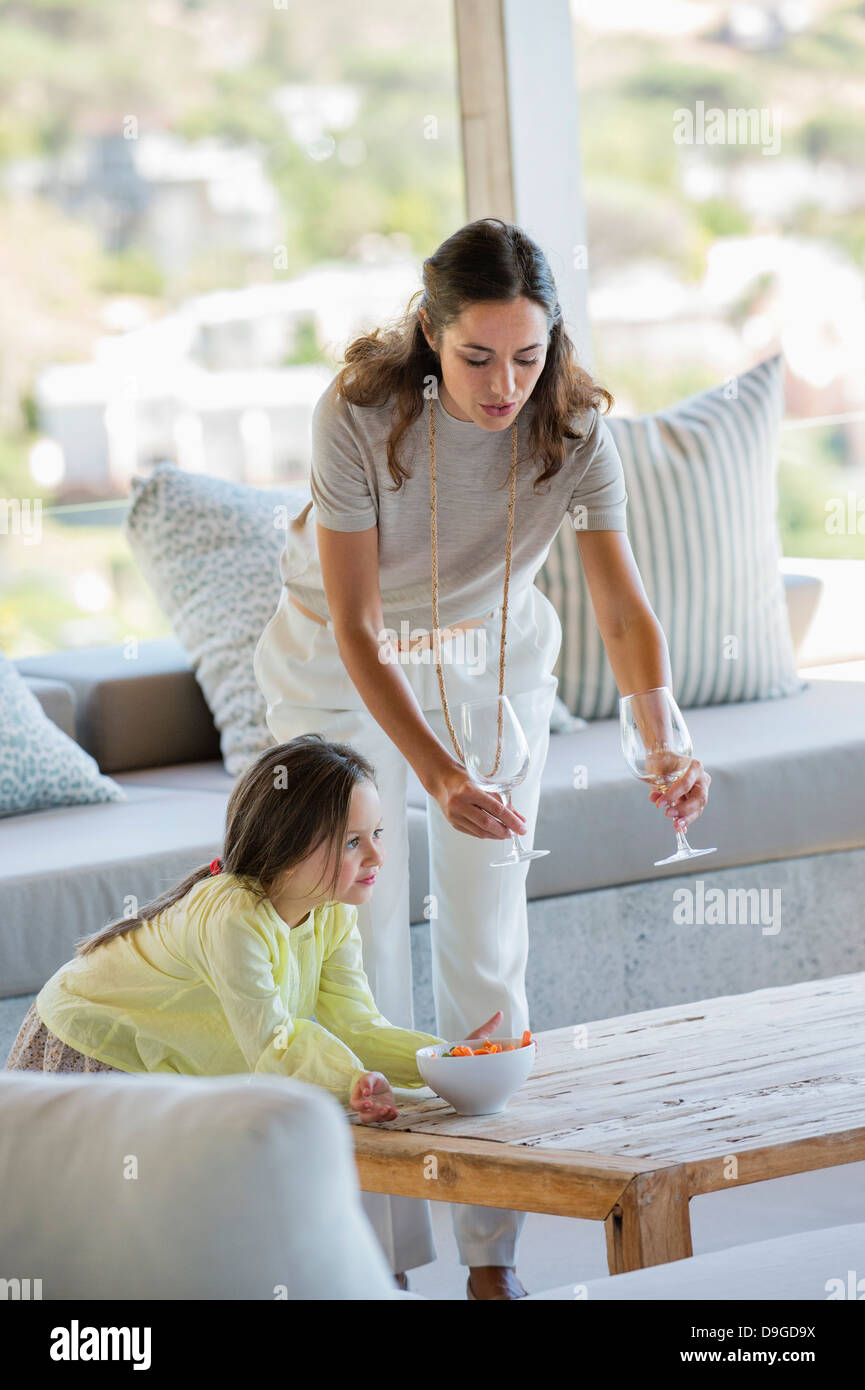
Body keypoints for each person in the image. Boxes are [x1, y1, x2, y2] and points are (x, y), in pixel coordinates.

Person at [252, 216, 712, 1299]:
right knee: (347, 946)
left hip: (492, 651)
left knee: (487, 931)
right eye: (476, 356)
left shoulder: (577, 427)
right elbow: (361, 632)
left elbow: (619, 603)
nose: (504, 382)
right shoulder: (358, 417)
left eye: (528, 353)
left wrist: (664, 735)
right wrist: (440, 777)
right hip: (338, 659)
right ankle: (369, 1264)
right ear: (428, 333)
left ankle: (488, 1264)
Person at [5, 734, 502, 1134]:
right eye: (353, 842)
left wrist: (442, 1059)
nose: (376, 857)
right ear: (287, 848)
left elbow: (353, 1024)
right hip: (92, 1041)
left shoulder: (330, 910)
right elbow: (274, 1044)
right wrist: (353, 1081)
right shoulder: (234, 917)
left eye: (377, 834)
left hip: (155, 1051)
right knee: (114, 1223)